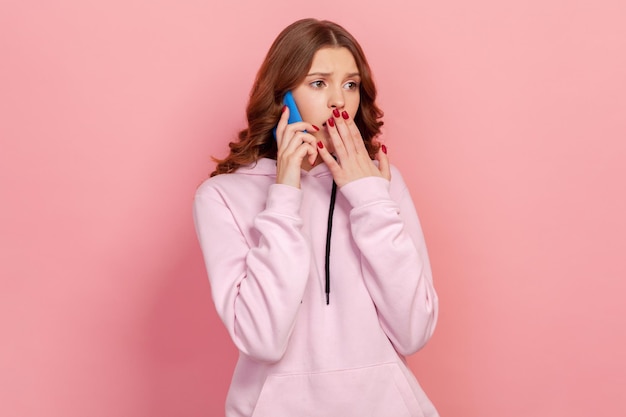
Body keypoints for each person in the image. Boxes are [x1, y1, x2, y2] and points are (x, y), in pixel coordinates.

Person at [193, 18, 439, 417]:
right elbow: (263, 339)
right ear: (282, 96)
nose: (339, 102)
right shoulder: (221, 197)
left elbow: (413, 331)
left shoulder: (382, 184)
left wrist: (370, 200)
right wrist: (285, 193)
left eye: (350, 84)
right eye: (319, 83)